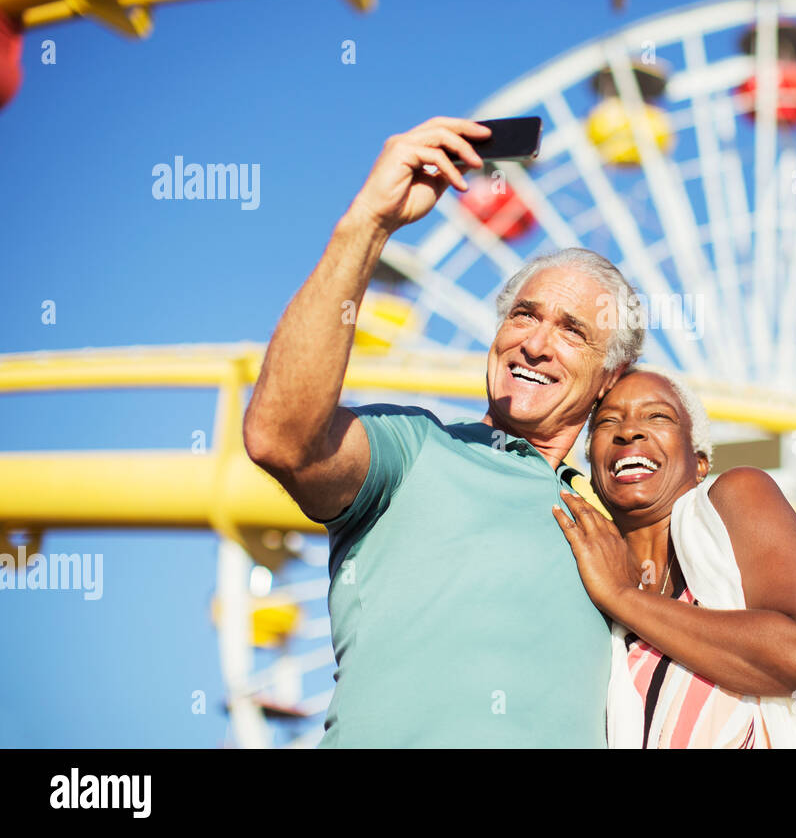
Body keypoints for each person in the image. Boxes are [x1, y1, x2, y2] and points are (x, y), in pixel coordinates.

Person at [242, 115, 646, 746]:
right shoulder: (418, 449)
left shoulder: (626, 523)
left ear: (608, 378)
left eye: (572, 331)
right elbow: (280, 438)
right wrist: (368, 224)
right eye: (523, 315)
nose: (535, 344)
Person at [553, 365, 796, 748]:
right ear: (592, 467)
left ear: (700, 461)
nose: (629, 431)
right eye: (607, 423)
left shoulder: (737, 495)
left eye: (657, 416)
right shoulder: (591, 601)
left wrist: (622, 597)